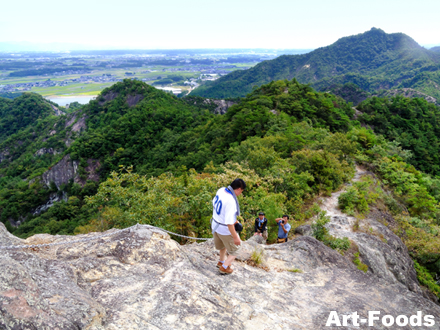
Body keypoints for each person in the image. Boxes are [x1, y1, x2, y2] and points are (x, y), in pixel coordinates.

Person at [211, 178, 246, 275]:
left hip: (215, 225)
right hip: (224, 229)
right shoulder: (231, 201)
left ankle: (221, 261)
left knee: (223, 245)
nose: (240, 193)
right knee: (236, 249)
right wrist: (235, 237)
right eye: (241, 191)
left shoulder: (221, 190)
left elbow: (216, 205)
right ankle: (224, 267)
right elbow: (229, 224)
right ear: (239, 189)